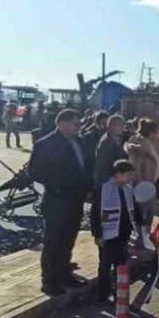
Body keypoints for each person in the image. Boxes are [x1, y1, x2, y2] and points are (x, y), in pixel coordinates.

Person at [29, 109, 92, 295]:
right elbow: (35, 172)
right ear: (62, 123)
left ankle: (64, 274)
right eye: (75, 124)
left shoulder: (78, 142)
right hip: (56, 200)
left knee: (68, 239)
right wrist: (57, 185)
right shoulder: (46, 144)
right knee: (54, 241)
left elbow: (85, 168)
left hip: (76, 199)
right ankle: (49, 281)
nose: (79, 127)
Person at [89, 160, 142, 304]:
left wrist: (141, 223)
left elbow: (134, 209)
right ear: (118, 174)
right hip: (107, 235)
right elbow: (94, 214)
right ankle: (103, 295)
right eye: (128, 175)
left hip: (123, 234)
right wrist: (97, 234)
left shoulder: (128, 189)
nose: (131, 178)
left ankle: (120, 293)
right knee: (105, 266)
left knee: (121, 265)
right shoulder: (102, 189)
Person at [93, 115, 127, 189]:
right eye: (116, 125)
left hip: (119, 182)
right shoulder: (105, 143)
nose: (120, 127)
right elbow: (103, 166)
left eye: (121, 125)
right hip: (106, 183)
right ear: (109, 126)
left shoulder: (123, 139)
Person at [80, 111, 109, 176]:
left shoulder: (111, 137)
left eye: (108, 123)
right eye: (104, 123)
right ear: (97, 123)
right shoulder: (88, 138)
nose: (106, 126)